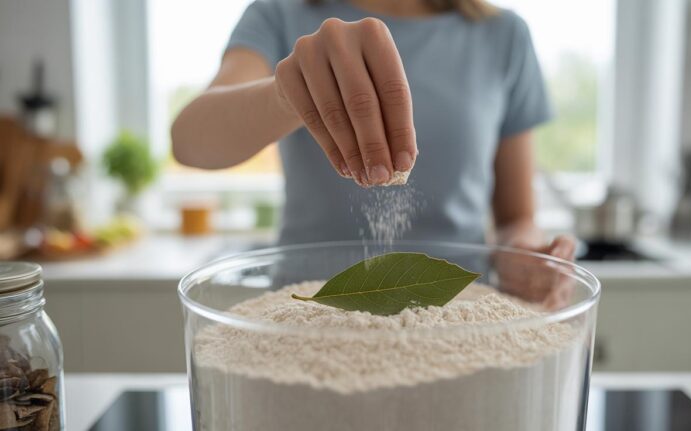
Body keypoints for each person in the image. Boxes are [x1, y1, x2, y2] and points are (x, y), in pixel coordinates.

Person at [172, 0, 576, 302]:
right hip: (309, 318)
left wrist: (523, 257)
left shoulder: (502, 34)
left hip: (458, 317)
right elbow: (189, 141)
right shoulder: (282, 12)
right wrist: (290, 91)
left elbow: (517, 217)